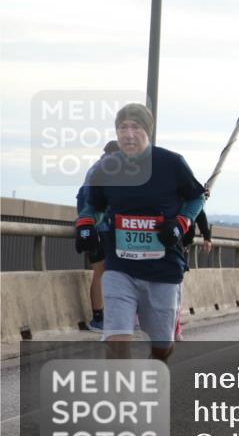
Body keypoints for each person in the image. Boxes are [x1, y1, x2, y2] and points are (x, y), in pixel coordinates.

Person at [74, 103, 205, 361]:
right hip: (119, 267)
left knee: (162, 345)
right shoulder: (106, 169)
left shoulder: (171, 163)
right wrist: (86, 223)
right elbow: (93, 205)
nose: (128, 133)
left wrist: (180, 223)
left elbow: (197, 197)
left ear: (148, 132)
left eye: (136, 127)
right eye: (123, 127)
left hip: (162, 268)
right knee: (117, 337)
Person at [75, 140, 119, 332]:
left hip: (98, 227)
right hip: (99, 228)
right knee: (102, 272)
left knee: (104, 272)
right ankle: (98, 318)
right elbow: (90, 203)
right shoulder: (103, 171)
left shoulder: (99, 169)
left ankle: (102, 317)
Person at [177, 201, 213, 340]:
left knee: (176, 288)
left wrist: (207, 237)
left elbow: (200, 214)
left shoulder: (190, 196)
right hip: (164, 245)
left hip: (181, 248)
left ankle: (175, 326)